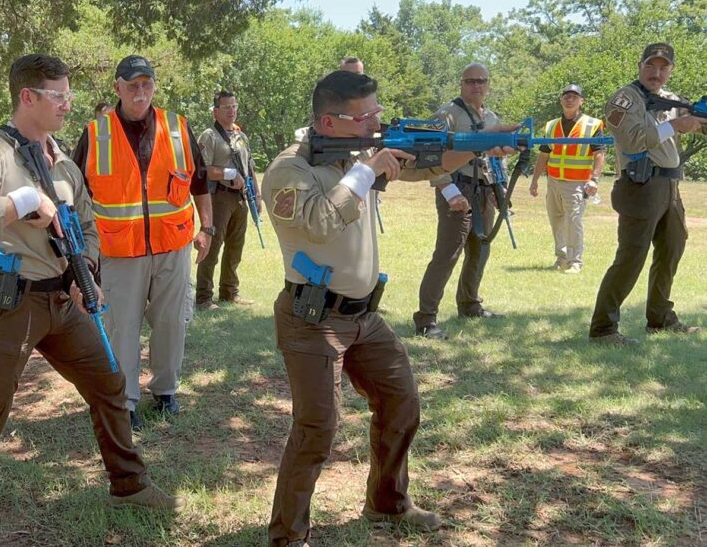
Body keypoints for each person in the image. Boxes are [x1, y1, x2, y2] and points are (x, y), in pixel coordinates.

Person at [0, 53, 180, 545]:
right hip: (9, 300)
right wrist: (23, 203)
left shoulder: (61, 157)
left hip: (63, 301)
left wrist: (83, 269)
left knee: (109, 384)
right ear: (28, 97)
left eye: (69, 95)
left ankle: (128, 484)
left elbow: (86, 225)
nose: (68, 104)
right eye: (59, 96)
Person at [262, 70, 511, 546]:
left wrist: (481, 143)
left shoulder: (359, 153)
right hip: (311, 317)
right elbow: (318, 224)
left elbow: (425, 167)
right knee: (317, 426)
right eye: (366, 116)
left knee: (401, 402)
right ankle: (288, 536)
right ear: (329, 123)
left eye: (376, 111)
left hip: (364, 316)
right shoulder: (288, 170)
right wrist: (365, 170)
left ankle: (387, 503)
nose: (377, 121)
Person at [72, 55, 213, 430]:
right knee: (123, 326)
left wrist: (208, 228)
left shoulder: (177, 127)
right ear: (117, 87)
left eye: (146, 84)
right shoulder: (95, 132)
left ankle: (166, 391)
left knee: (171, 322)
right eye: (132, 85)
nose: (140, 92)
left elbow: (199, 184)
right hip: (119, 252)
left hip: (173, 247)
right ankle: (126, 401)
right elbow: (76, 195)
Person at [589, 43, 707, 345]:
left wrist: (693, 121)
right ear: (640, 65)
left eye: (663, 67)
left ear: (671, 70)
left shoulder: (669, 99)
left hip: (669, 186)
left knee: (671, 249)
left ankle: (661, 318)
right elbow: (632, 141)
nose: (657, 73)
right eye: (651, 66)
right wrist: (677, 125)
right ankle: (603, 329)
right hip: (640, 185)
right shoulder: (625, 99)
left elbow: (698, 122)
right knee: (631, 257)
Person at [412, 63, 503, 340]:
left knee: (480, 250)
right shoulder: (446, 115)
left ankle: (470, 303)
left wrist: (501, 191)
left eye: (481, 81)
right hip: (458, 187)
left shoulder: (492, 119)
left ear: (488, 85)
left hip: (484, 189)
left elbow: (497, 157)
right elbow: (430, 154)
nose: (476, 86)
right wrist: (449, 191)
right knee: (448, 254)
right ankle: (426, 318)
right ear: (462, 84)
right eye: (470, 81)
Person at [528, 84, 606, 274]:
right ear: (561, 100)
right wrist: (535, 180)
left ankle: (575, 261)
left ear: (581, 101)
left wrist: (594, 179)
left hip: (578, 183)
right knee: (556, 221)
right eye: (566, 96)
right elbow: (544, 155)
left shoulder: (593, 125)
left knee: (573, 221)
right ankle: (561, 258)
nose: (570, 99)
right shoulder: (552, 125)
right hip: (554, 181)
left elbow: (600, 153)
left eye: (574, 96)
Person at [195, 90, 261, 310]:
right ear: (215, 111)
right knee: (212, 248)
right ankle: (204, 297)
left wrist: (257, 196)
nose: (232, 111)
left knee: (235, 246)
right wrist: (229, 174)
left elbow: (249, 166)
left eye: (234, 106)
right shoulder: (209, 136)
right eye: (227, 107)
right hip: (219, 198)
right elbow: (201, 168)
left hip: (241, 198)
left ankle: (229, 292)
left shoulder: (241, 136)